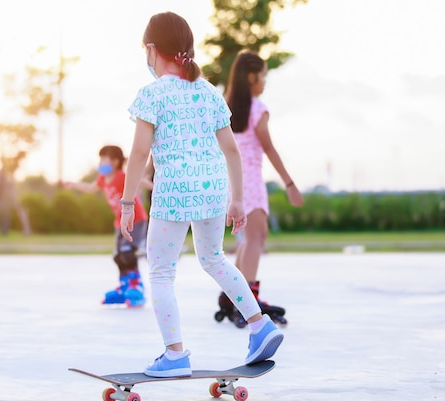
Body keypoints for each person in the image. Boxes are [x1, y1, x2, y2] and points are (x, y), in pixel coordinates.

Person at [119, 11, 283, 378]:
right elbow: (231, 150)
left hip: (174, 192)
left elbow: (139, 154)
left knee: (161, 273)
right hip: (212, 190)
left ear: (151, 49)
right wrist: (237, 199)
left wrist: (128, 203)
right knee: (214, 259)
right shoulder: (208, 92)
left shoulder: (152, 94)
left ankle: (175, 355)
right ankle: (260, 326)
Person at [220, 51, 304, 325]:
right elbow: (268, 148)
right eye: (263, 76)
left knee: (249, 239)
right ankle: (248, 301)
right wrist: (289, 183)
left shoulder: (226, 106)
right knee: (256, 238)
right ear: (251, 76)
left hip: (232, 180)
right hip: (251, 181)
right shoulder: (257, 108)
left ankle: (235, 295)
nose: (265, 82)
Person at [65, 145, 150, 307]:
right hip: (119, 222)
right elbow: (90, 189)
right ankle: (124, 286)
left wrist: (153, 185)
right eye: (101, 159)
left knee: (127, 252)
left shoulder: (121, 176)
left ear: (116, 162)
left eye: (104, 159)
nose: (101, 163)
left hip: (135, 219)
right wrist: (74, 184)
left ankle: (136, 286)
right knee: (118, 255)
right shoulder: (103, 179)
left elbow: (138, 180)